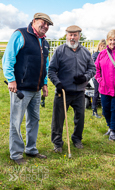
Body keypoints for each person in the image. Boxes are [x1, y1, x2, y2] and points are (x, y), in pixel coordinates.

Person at [2, 13, 53, 165]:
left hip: (36, 89)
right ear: (34, 21)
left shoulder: (44, 42)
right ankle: (16, 154)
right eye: (43, 23)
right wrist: (11, 80)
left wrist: (44, 84)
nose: (45, 26)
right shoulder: (20, 34)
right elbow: (8, 58)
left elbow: (45, 64)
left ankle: (31, 149)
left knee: (34, 120)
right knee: (16, 121)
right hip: (21, 89)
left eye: (48, 25)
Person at [48, 25, 96, 153]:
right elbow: (51, 70)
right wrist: (57, 83)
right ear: (66, 36)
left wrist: (85, 77)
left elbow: (92, 69)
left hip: (80, 92)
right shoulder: (59, 51)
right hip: (62, 92)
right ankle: (57, 143)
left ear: (79, 36)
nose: (72, 37)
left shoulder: (85, 52)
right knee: (58, 119)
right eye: (70, 35)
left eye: (75, 35)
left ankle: (77, 139)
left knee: (80, 118)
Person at [92, 39, 106, 118]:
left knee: (104, 94)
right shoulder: (95, 55)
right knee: (96, 93)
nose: (102, 47)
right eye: (101, 46)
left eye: (104, 46)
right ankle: (94, 111)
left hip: (105, 77)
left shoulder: (107, 54)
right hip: (97, 77)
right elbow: (95, 66)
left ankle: (104, 111)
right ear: (98, 46)